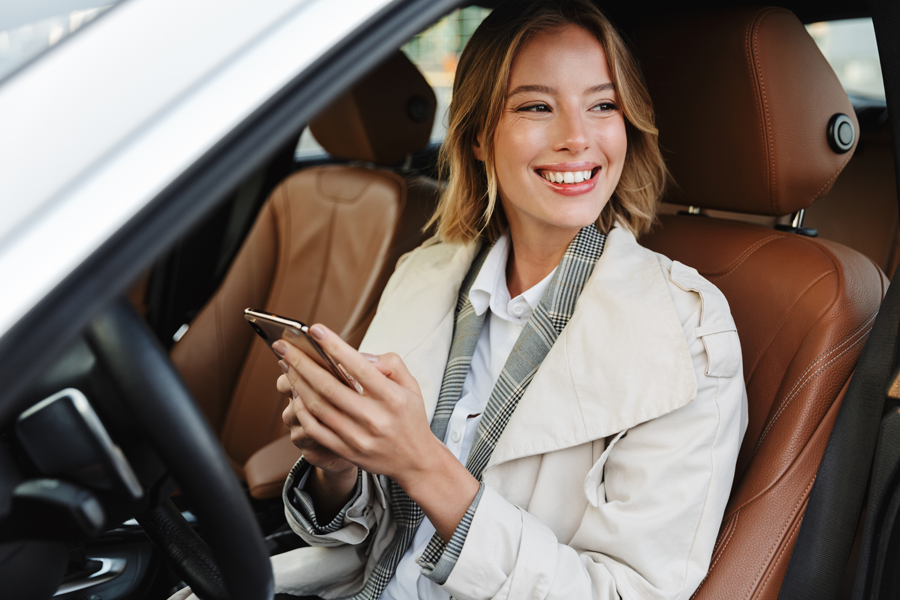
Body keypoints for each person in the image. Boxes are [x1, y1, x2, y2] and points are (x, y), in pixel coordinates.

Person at [173, 1, 747, 598]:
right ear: (477, 137)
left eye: (603, 105)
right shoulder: (424, 275)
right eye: (536, 106)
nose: (578, 138)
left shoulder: (687, 332)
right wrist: (337, 465)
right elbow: (371, 533)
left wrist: (424, 463)